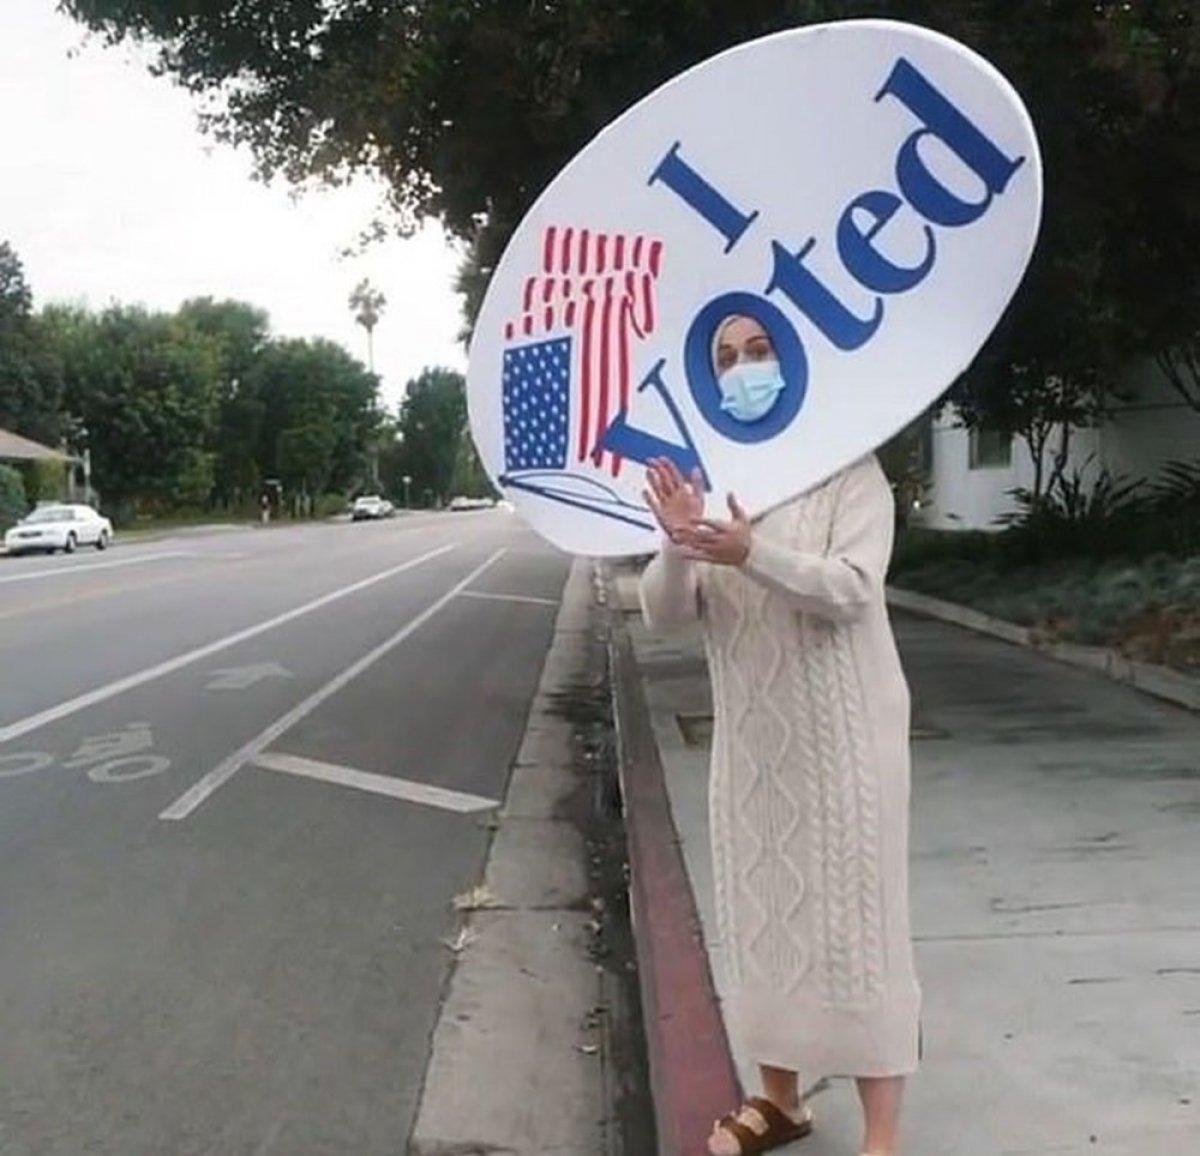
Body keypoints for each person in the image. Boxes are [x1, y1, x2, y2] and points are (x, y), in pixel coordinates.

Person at [638, 317, 922, 1156]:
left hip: (847, 743)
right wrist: (679, 541)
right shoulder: (718, 476)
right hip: (756, 748)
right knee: (763, 918)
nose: (741, 370)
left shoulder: (850, 472)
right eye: (725, 359)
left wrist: (749, 552)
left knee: (857, 933)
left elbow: (851, 591)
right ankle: (780, 1101)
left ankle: (882, 1135)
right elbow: (663, 616)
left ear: (795, 361)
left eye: (757, 352)